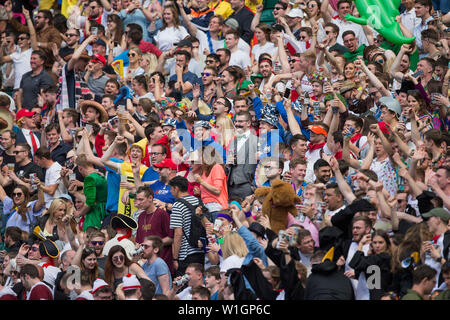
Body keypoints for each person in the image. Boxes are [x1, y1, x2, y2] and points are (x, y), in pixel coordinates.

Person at [134, 186, 174, 273]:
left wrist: (152, 245)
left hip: (162, 262)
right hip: (146, 264)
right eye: (137, 199)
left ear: (150, 198)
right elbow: (138, 241)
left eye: (141, 199)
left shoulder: (162, 214)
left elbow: (171, 238)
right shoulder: (141, 216)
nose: (138, 202)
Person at [169, 176, 204, 276]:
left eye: (171, 189)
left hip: (186, 254)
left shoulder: (177, 205)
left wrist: (175, 258)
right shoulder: (198, 201)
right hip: (200, 250)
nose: (171, 192)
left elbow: (178, 234)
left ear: (176, 188)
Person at [73, 154, 107, 231]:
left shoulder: (89, 178)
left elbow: (90, 202)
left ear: (80, 168)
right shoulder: (101, 176)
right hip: (103, 212)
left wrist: (79, 213)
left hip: (94, 216)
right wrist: (75, 193)